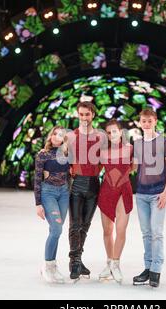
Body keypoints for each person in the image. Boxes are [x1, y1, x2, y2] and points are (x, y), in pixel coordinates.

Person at [132, 108, 166, 288]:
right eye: (143, 121)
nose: (147, 124)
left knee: (156, 232)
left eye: (150, 120)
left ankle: (156, 270)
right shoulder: (137, 143)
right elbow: (134, 168)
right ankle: (148, 267)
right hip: (141, 194)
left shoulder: (165, 142)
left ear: (155, 121)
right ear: (140, 123)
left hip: (157, 193)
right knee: (146, 233)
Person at [66, 101, 105, 280]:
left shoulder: (100, 137)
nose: (84, 118)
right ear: (77, 115)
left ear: (93, 115)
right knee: (75, 224)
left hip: (94, 184)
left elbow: (106, 160)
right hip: (77, 184)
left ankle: (78, 258)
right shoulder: (71, 136)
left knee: (85, 225)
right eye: (81, 114)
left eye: (87, 114)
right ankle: (74, 262)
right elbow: (65, 160)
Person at [97, 119, 134, 284]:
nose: (111, 134)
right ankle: (109, 262)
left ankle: (116, 264)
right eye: (108, 132)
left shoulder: (130, 149)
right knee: (107, 230)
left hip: (123, 190)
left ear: (120, 132)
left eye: (114, 131)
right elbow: (97, 169)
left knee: (121, 230)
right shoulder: (102, 151)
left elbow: (134, 167)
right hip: (106, 191)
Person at [34, 126, 69, 284]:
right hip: (48, 193)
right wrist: (38, 204)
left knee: (56, 231)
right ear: (51, 136)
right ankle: (47, 266)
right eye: (55, 133)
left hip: (64, 193)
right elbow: (37, 179)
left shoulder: (67, 154)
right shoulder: (43, 154)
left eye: (61, 135)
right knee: (56, 228)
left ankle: (53, 265)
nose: (57, 137)